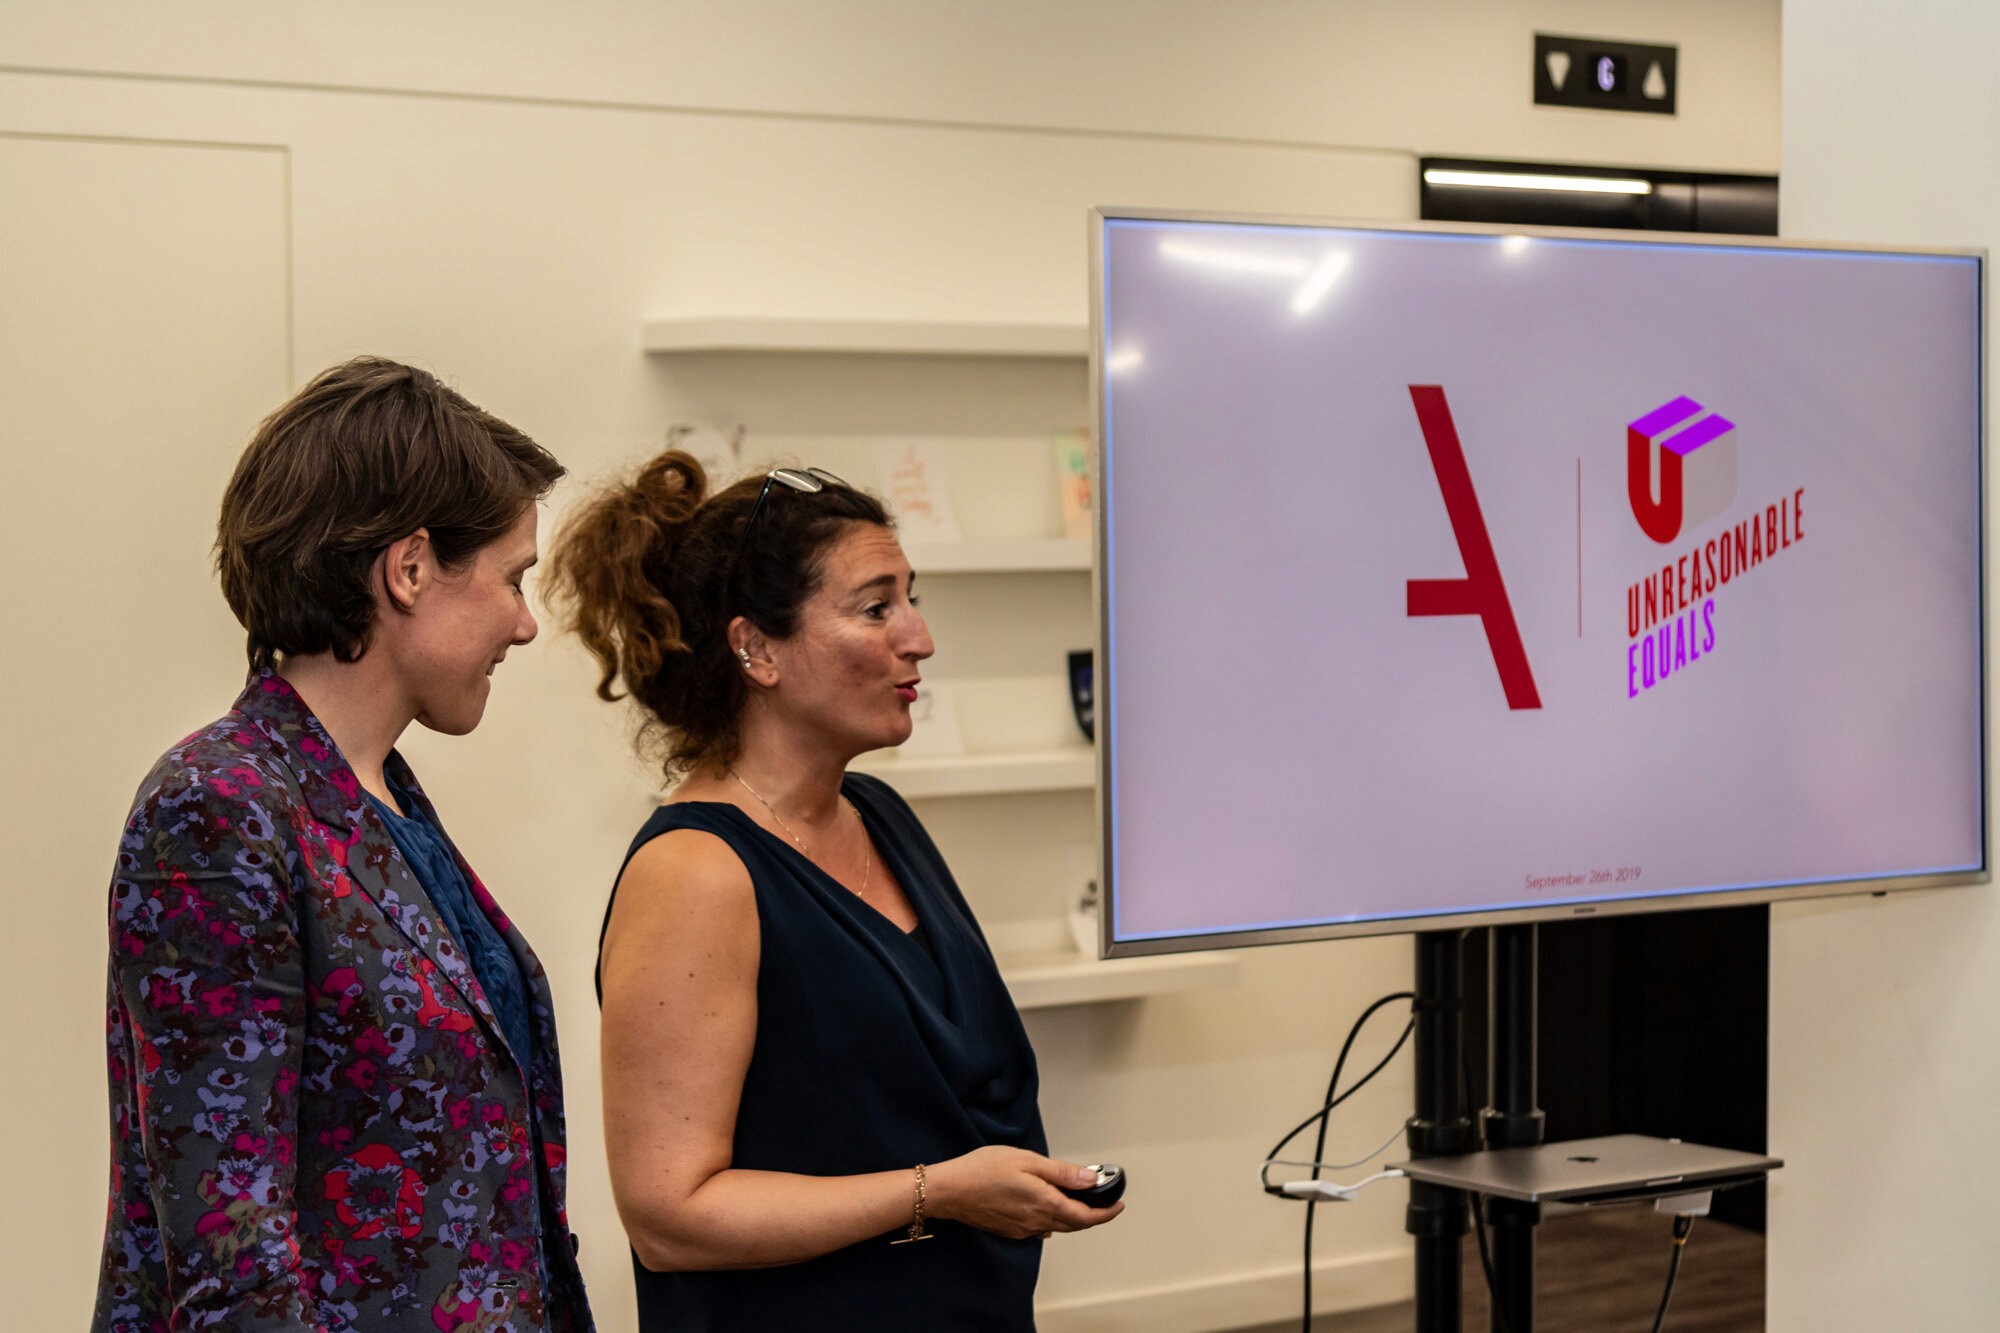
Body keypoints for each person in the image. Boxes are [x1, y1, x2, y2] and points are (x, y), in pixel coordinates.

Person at [544, 452, 1122, 1331]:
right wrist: (939, 1192)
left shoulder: (880, 814)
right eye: (876, 607)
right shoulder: (696, 872)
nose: (919, 637)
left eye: (911, 599)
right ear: (756, 649)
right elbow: (669, 1216)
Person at [93, 358, 595, 1331]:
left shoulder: (384, 797)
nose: (526, 625)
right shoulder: (220, 804)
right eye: (512, 579)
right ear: (409, 570)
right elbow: (233, 1257)